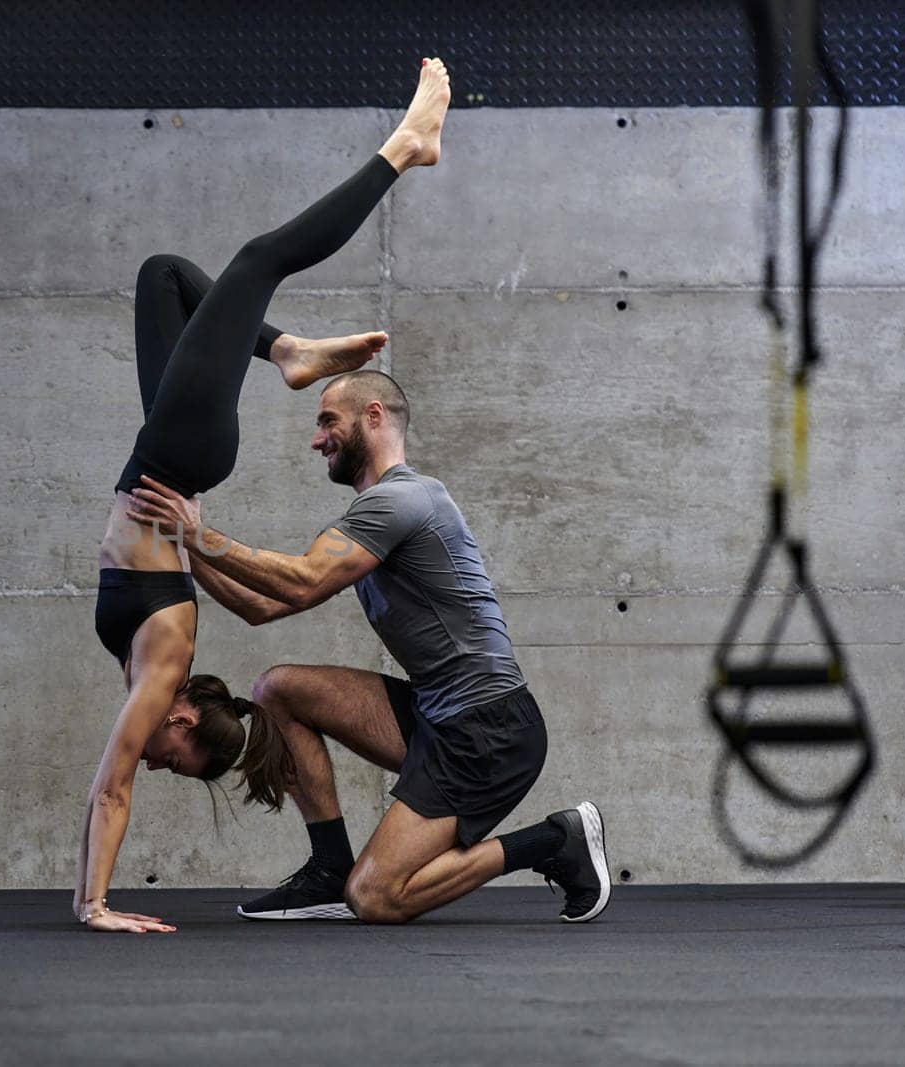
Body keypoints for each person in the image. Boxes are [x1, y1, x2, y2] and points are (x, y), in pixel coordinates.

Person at [74, 59, 453, 934]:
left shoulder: (145, 664)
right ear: (182, 717)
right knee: (254, 259)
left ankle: (285, 352)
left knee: (163, 275)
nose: (156, 758)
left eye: (164, 760)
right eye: (177, 754)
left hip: (162, 455)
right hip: (181, 453)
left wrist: (197, 543)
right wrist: (93, 903)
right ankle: (405, 148)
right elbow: (112, 783)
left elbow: (123, 771)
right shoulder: (162, 664)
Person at [125, 367, 612, 924]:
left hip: (489, 731)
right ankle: (329, 868)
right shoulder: (378, 514)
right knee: (279, 689)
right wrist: (182, 545)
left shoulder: (404, 500)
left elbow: (302, 579)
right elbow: (260, 607)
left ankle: (556, 840)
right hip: (438, 714)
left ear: (373, 416)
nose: (316, 439)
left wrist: (197, 535)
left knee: (377, 897)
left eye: (328, 420)